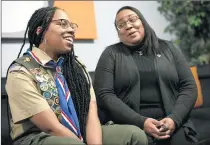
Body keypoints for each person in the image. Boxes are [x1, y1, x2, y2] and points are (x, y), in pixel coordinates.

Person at [5, 6, 148, 145]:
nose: (71, 30)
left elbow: (91, 116)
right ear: (40, 31)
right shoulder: (21, 71)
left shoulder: (76, 67)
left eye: (72, 25)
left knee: (135, 135)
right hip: (39, 137)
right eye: (62, 24)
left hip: (80, 132)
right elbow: (51, 127)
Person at [93, 6, 198, 145]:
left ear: (142, 22)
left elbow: (189, 86)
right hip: (131, 126)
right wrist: (141, 122)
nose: (128, 26)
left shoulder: (169, 48)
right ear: (118, 33)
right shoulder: (111, 54)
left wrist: (175, 119)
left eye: (132, 19)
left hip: (172, 122)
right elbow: (104, 94)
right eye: (121, 25)